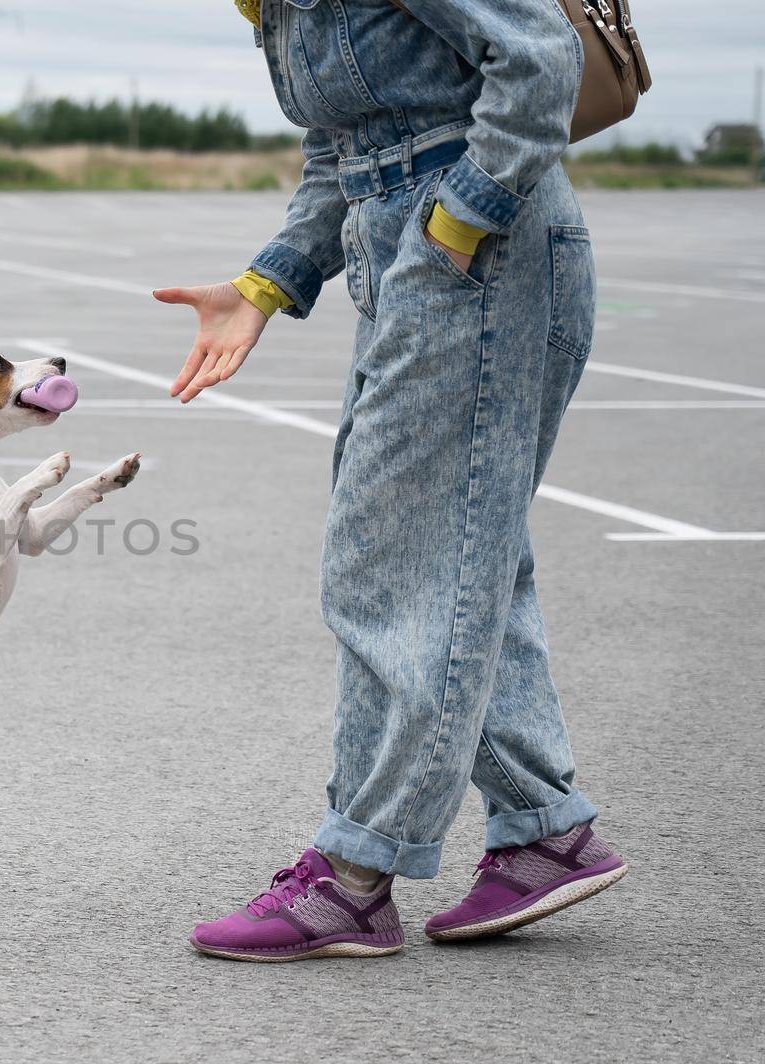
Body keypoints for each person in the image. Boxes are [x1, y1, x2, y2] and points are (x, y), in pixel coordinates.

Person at [155, 0, 626, 961]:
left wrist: (459, 223)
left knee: (387, 568)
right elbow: (347, 151)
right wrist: (265, 285)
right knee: (458, 556)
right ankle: (543, 831)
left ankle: (355, 878)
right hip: (417, 263)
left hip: (479, 261)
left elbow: (538, 57)